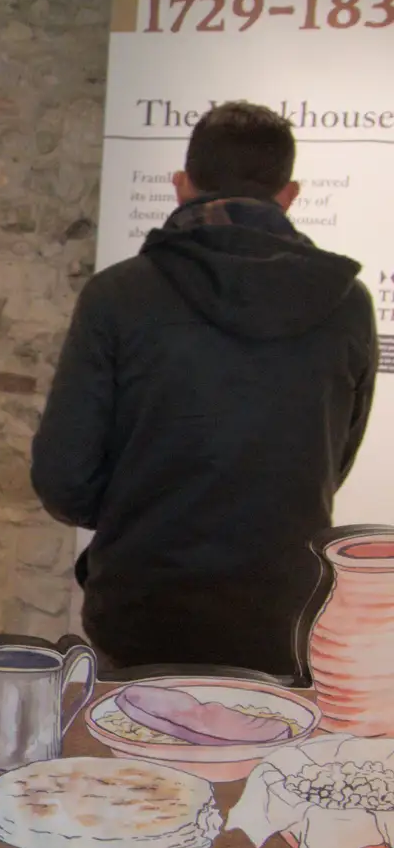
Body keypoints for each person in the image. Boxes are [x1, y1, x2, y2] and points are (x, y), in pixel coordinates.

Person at [30, 100, 378, 677]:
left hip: (144, 605)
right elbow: (333, 460)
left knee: (135, 766)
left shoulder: (119, 296)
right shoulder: (348, 305)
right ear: (289, 194)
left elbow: (65, 481)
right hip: (283, 611)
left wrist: (138, 509)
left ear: (181, 186)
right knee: (262, 768)